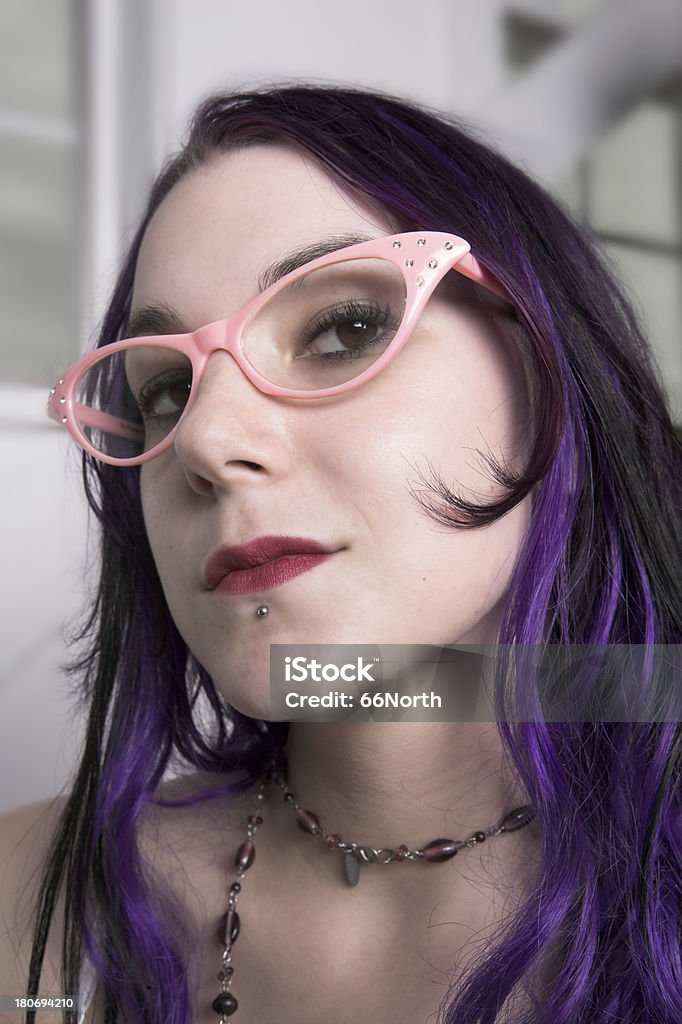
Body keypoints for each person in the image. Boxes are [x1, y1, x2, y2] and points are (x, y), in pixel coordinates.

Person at [1, 85, 680, 1024]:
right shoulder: (26, 906)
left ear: (552, 368)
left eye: (343, 328)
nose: (204, 441)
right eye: (164, 391)